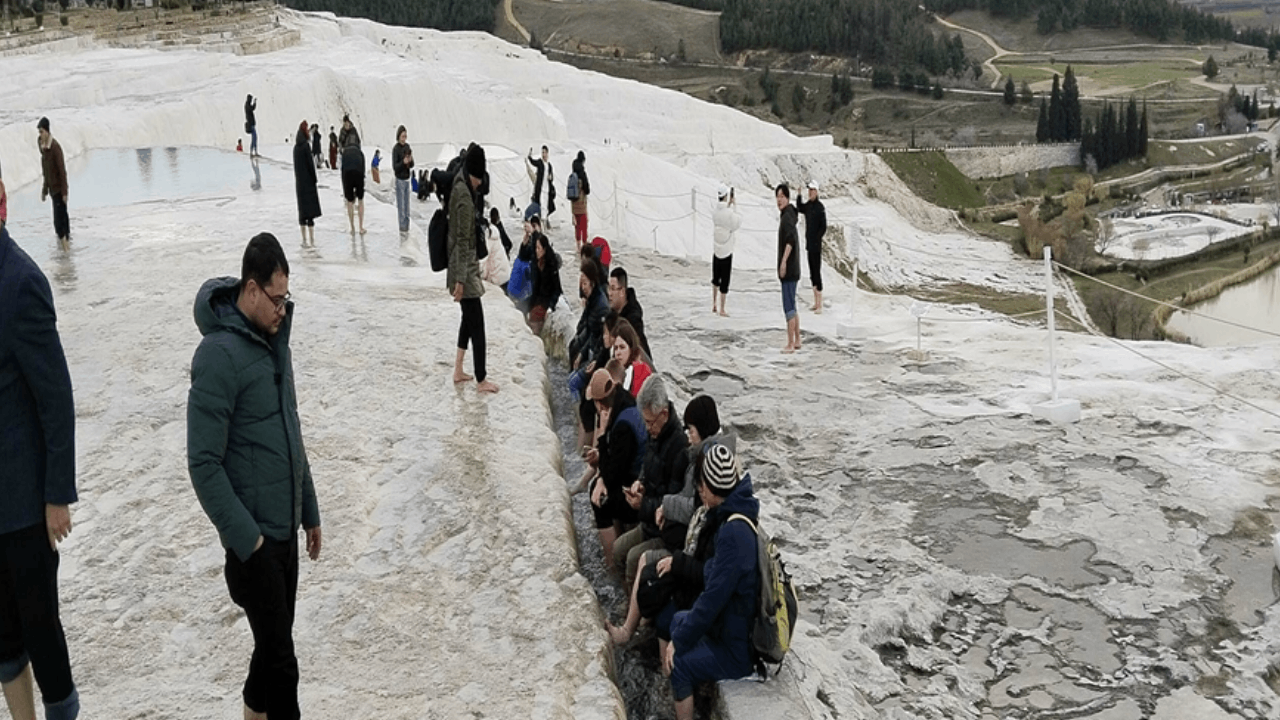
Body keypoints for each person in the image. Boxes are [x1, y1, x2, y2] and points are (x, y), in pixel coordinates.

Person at [187, 233, 322, 720]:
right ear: (250, 289)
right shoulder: (218, 357)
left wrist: (308, 510)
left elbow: (290, 427)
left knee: (269, 653)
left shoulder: (272, 344)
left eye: (287, 298)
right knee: (283, 667)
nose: (283, 309)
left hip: (284, 530)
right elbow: (202, 463)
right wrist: (250, 541)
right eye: (276, 298)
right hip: (255, 545)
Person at [0, 226, 81, 720]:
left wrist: (56, 495)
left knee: (40, 632)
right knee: (3, 639)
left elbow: (56, 397)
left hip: (24, 503)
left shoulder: (20, 281)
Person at [606, 395, 724, 646]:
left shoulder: (695, 456)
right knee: (623, 551)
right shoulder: (690, 451)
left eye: (691, 429)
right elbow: (657, 477)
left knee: (641, 561)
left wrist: (660, 506)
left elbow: (693, 505)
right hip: (666, 526)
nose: (688, 433)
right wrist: (641, 485)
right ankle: (635, 619)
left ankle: (635, 628)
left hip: (678, 538)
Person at [664, 443, 759, 720]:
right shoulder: (737, 515)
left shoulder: (733, 533)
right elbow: (719, 577)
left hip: (735, 649)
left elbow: (712, 600)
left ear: (711, 487)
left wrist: (679, 642)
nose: (698, 490)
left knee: (679, 662)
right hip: (727, 629)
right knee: (677, 620)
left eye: (701, 484)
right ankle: (693, 699)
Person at [611, 377, 688, 586]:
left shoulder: (678, 446)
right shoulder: (657, 432)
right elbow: (647, 463)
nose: (647, 428)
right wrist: (640, 481)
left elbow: (673, 500)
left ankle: (634, 614)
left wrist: (642, 504)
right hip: (648, 521)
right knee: (618, 549)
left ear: (664, 414)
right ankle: (625, 601)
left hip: (665, 530)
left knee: (633, 559)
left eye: (649, 422)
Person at [583, 369, 647, 571]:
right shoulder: (625, 402)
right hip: (634, 475)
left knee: (599, 500)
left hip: (636, 489)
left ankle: (612, 564)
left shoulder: (621, 427)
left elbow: (613, 475)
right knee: (598, 484)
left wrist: (601, 435)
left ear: (599, 403)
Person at [448, 143, 498, 394]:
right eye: (479, 178)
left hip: (463, 269)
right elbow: (462, 241)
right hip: (463, 271)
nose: (480, 184)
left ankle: (458, 369)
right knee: (477, 323)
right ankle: (481, 379)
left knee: (468, 321)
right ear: (473, 175)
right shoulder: (465, 198)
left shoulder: (460, 184)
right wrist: (459, 280)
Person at [776, 183, 801, 353]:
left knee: (788, 306)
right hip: (794, 269)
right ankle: (797, 340)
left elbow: (790, 240)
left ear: (787, 197)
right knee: (793, 304)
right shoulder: (789, 214)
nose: (779, 200)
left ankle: (790, 344)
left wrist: (783, 262)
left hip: (790, 270)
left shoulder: (787, 218)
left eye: (782, 197)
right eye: (777, 197)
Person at [795, 180, 827, 313]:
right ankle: (815, 302)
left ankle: (820, 303)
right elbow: (800, 208)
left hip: (816, 245)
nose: (810, 193)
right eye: (809, 191)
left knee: (817, 272)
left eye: (812, 190)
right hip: (809, 244)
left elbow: (824, 226)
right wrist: (798, 195)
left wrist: (817, 238)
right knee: (812, 273)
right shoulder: (808, 205)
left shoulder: (820, 207)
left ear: (817, 191)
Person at [607, 267, 652, 360]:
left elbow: (638, 350)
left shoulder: (633, 320)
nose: (609, 293)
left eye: (612, 289)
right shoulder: (611, 313)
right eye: (608, 288)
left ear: (622, 292)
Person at [37, 118, 70, 247]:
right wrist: (44, 191)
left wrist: (65, 193)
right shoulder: (43, 148)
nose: (40, 135)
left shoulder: (55, 148)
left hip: (59, 190)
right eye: (39, 132)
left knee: (59, 221)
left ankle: (65, 246)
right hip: (51, 189)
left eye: (41, 132)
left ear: (47, 131)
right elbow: (46, 173)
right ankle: (65, 243)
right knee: (62, 217)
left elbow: (62, 172)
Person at [711, 184, 740, 317]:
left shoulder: (715, 212)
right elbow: (736, 223)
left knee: (715, 278)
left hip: (716, 249)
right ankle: (722, 308)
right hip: (727, 250)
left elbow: (723, 216)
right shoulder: (729, 213)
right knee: (725, 279)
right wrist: (734, 206)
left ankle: (714, 304)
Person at [527, 231, 562, 335]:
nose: (536, 251)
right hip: (539, 299)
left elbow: (557, 289)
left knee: (534, 318)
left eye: (539, 248)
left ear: (544, 249)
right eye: (536, 248)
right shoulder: (536, 264)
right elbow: (535, 287)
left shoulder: (551, 266)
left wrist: (551, 307)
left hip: (547, 300)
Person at [292, 121, 321, 247]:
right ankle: (312, 239)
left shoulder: (295, 148)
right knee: (310, 214)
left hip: (299, 184)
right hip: (308, 183)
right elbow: (310, 165)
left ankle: (303, 239)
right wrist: (315, 179)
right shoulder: (305, 147)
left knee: (302, 212)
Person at [338, 116, 366, 235]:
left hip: (347, 163)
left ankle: (352, 228)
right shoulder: (355, 132)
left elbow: (340, 147)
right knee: (360, 199)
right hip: (358, 162)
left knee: (349, 200)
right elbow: (359, 145)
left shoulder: (342, 132)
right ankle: (360, 227)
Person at [612, 318, 652, 397]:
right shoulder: (611, 371)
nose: (618, 353)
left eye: (622, 347)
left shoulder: (642, 370)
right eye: (616, 348)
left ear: (631, 349)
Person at [393, 126, 414, 235]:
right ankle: (402, 229)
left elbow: (412, 165)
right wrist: (403, 162)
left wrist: (410, 161)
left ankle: (407, 227)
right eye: (402, 136)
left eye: (405, 136)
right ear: (399, 136)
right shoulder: (396, 149)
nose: (404, 138)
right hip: (400, 179)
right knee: (401, 206)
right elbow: (395, 167)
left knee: (407, 206)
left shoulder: (407, 147)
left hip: (407, 179)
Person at [482, 211, 512, 290]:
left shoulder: (488, 239)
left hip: (497, 278)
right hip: (505, 273)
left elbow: (484, 260)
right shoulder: (495, 232)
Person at [570, 150, 591, 250]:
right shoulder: (582, 174)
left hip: (574, 206)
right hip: (582, 205)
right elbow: (587, 190)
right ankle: (585, 246)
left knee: (577, 228)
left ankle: (578, 247)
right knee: (584, 227)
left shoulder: (573, 175)